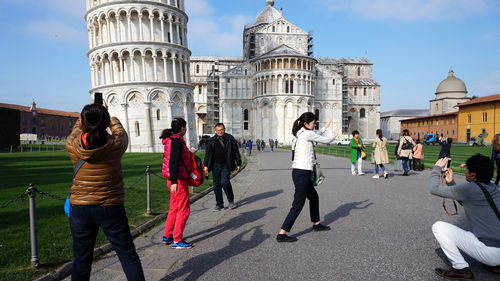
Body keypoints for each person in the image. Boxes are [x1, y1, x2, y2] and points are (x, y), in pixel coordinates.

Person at [66, 103, 145, 281]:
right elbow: (121, 133)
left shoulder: (72, 144)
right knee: (127, 255)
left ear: (83, 122)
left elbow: (75, 132)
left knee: (81, 259)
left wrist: (83, 120)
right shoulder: (116, 144)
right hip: (110, 206)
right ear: (105, 121)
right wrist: (109, 117)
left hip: (81, 207)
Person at [430, 154, 500, 280]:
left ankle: (460, 269)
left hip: (492, 253)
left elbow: (434, 189)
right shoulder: (495, 188)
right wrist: (451, 183)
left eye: (467, 168)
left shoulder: (469, 188)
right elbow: (468, 201)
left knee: (438, 227)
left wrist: (436, 168)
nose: (466, 170)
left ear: (473, 175)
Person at [277, 112, 335, 242]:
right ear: (305, 124)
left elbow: (316, 134)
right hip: (302, 173)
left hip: (300, 172)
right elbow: (325, 140)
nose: (314, 125)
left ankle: (316, 224)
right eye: (313, 123)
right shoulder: (307, 134)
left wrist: (325, 127)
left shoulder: (300, 134)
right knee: (298, 204)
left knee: (314, 197)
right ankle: (282, 233)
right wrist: (334, 135)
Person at [160, 118, 193, 249]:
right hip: (178, 180)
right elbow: (173, 162)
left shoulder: (171, 140)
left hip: (173, 180)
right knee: (184, 209)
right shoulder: (177, 141)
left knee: (174, 208)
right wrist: (174, 181)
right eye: (184, 127)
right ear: (182, 128)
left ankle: (167, 236)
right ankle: (177, 239)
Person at [203, 123, 242, 211]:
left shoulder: (229, 138)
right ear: (215, 131)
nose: (220, 132)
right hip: (215, 165)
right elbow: (208, 154)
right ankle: (219, 204)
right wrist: (206, 165)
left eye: (222, 130)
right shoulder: (212, 140)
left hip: (226, 164)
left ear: (224, 129)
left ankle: (231, 201)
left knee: (225, 182)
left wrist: (238, 163)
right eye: (218, 130)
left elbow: (235, 151)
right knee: (216, 185)